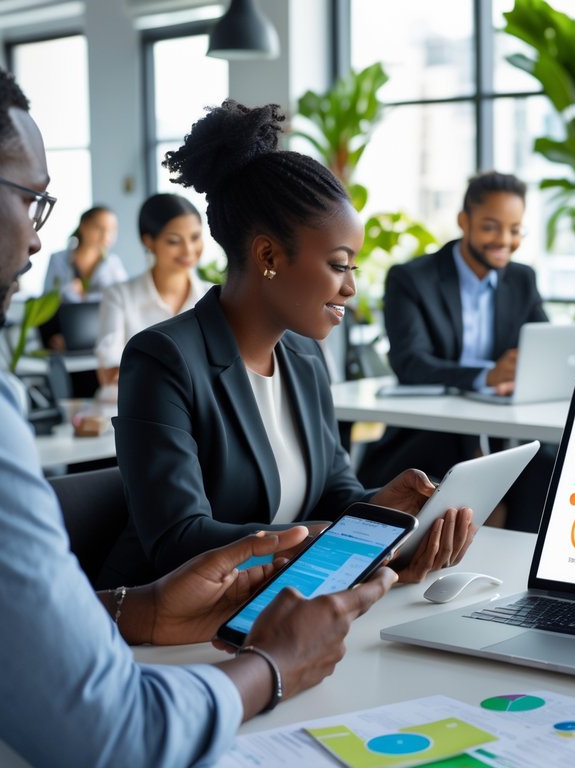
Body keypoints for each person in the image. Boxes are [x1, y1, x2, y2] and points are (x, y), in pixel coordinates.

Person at [0, 32, 396, 766]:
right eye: (32, 202)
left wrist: (131, 611)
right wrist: (271, 666)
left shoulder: (302, 357)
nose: (40, 244)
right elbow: (110, 736)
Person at [104, 100, 474, 588]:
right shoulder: (164, 359)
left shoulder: (303, 357)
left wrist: (383, 507)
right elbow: (177, 539)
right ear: (268, 254)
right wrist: (334, 541)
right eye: (339, 265)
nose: (350, 288)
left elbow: (334, 491)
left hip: (286, 604)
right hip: (168, 630)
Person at [357, 171, 556, 532]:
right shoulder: (412, 278)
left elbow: (545, 347)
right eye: (491, 227)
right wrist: (486, 375)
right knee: (461, 462)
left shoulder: (521, 279)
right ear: (464, 221)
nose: (505, 241)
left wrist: (531, 368)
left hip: (501, 432)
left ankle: (521, 567)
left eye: (515, 230)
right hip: (428, 434)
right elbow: (409, 362)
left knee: (547, 465)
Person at [95, 193, 211, 386]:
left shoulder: (212, 297)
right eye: (174, 241)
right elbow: (109, 372)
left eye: (195, 237)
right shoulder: (119, 296)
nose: (189, 250)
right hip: (129, 410)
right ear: (148, 241)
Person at [39, 204, 127, 350]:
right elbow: (47, 300)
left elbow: (123, 303)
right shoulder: (58, 259)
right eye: (99, 228)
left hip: (100, 338)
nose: (106, 236)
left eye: (112, 230)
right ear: (84, 226)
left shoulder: (113, 264)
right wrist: (68, 290)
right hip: (61, 335)